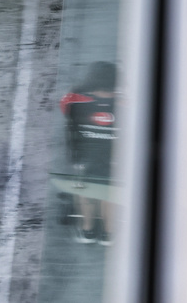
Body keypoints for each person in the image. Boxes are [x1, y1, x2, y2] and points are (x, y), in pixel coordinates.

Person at [60, 60, 118, 245]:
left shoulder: (77, 101)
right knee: (110, 189)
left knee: (83, 186)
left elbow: (65, 105)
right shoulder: (124, 104)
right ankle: (108, 233)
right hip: (113, 160)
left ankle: (87, 230)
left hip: (84, 158)